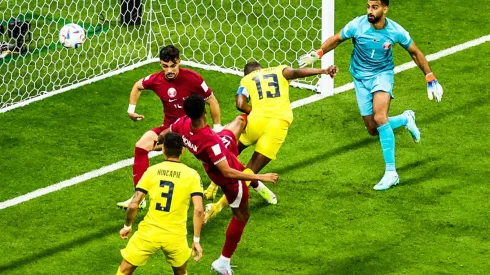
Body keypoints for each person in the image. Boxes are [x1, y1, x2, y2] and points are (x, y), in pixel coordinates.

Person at [297, 0, 444, 190]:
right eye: (368, 6)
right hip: (359, 78)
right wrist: (319, 53)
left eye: (374, 7)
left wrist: (430, 77)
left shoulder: (396, 31)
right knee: (373, 129)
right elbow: (337, 38)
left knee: (380, 117)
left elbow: (415, 52)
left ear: (385, 9)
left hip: (382, 75)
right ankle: (406, 119)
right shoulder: (357, 25)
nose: (370, 11)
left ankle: (391, 173)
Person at [159, 94, 279, 274]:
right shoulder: (209, 141)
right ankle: (223, 262)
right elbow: (228, 172)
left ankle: (258, 187)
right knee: (241, 215)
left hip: (218, 155)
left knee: (240, 121)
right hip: (227, 178)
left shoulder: (182, 123)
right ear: (205, 111)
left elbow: (165, 133)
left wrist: (160, 143)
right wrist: (262, 176)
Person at [204, 61, 338, 221]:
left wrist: (255, 112)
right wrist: (323, 70)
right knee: (251, 170)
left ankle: (212, 187)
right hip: (278, 125)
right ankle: (217, 206)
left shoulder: (247, 79)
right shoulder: (280, 70)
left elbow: (240, 104)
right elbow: (297, 72)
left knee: (229, 151)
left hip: (256, 121)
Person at [117, 45, 223, 209]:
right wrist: (131, 110)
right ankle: (139, 197)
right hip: (170, 130)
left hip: (192, 130)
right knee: (141, 146)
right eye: (165, 66)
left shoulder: (193, 78)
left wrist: (217, 128)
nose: (169, 70)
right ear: (160, 64)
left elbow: (212, 101)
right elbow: (138, 86)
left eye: (173, 66)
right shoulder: (156, 80)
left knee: (216, 162)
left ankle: (240, 184)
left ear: (179, 62)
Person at [116, 132, 204, 275]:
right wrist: (196, 240)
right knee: (181, 272)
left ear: (163, 149)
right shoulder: (192, 175)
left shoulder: (152, 171)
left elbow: (133, 204)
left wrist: (127, 226)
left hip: (150, 232)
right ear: (182, 150)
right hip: (176, 235)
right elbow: (199, 210)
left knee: (125, 269)